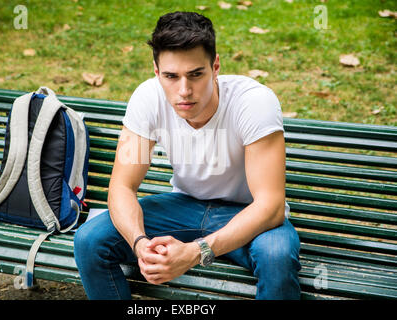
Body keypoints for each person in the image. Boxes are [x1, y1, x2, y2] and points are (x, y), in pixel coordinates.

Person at [74, 11, 301, 300]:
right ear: (156, 71)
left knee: (277, 257)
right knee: (90, 240)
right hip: (184, 206)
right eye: (171, 76)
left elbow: (270, 206)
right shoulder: (148, 99)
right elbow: (122, 187)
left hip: (248, 212)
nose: (184, 91)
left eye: (196, 74)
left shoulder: (254, 103)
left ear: (215, 65)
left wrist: (196, 251)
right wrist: (140, 242)